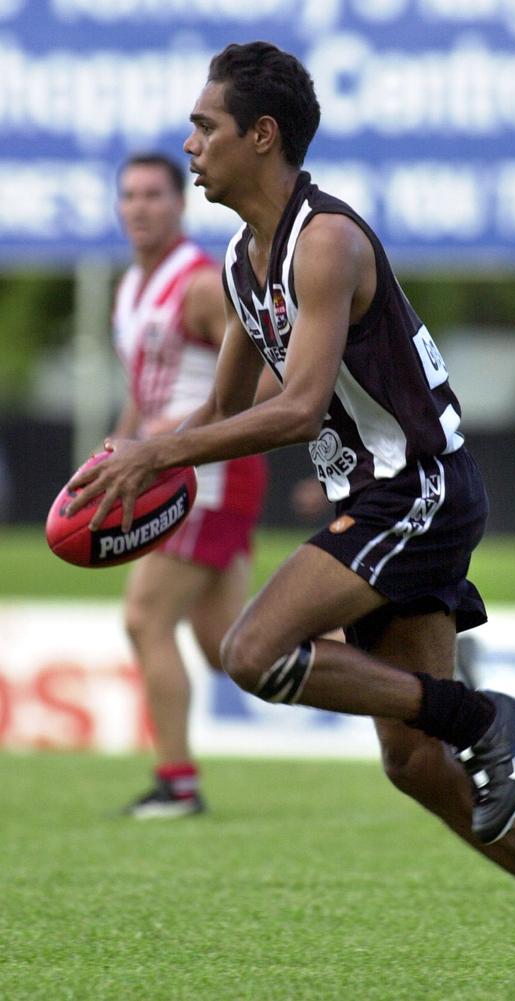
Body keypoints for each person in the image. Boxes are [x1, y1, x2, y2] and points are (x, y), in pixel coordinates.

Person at [68, 43, 515, 990]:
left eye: (206, 126)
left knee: (253, 653)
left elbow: (296, 407)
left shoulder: (326, 241)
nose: (190, 145)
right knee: (415, 763)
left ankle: (484, 711)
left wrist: (159, 454)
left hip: (416, 490)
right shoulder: (238, 259)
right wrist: (128, 462)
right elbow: (218, 413)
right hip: (380, 497)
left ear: (262, 136)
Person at [110, 152, 267, 818]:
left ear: (179, 204)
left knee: (146, 616)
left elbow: (271, 377)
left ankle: (177, 782)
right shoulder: (131, 286)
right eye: (129, 195)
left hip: (208, 472)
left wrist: (173, 428)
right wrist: (114, 449)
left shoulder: (201, 285)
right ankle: (412, 657)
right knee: (231, 644)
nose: (140, 206)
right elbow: (145, 393)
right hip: (177, 469)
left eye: (153, 194)